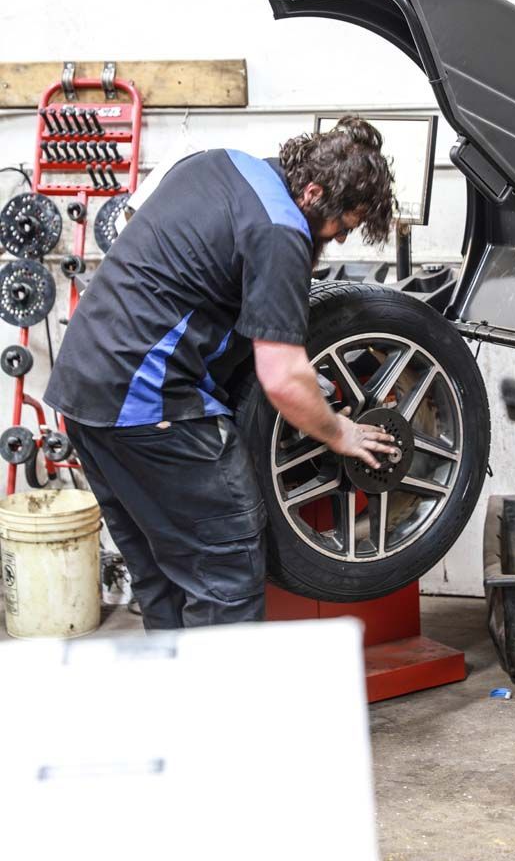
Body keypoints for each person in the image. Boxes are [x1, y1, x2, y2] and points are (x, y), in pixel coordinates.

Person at [44, 116, 399, 628]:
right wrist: (337, 429)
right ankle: (223, 707)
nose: (340, 240)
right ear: (314, 192)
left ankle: (178, 703)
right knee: (225, 569)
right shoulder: (280, 230)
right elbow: (281, 379)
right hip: (149, 407)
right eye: (342, 225)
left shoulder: (221, 163)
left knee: (162, 577)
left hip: (85, 394)